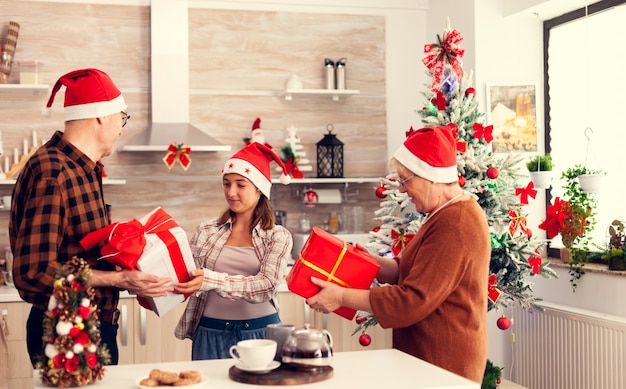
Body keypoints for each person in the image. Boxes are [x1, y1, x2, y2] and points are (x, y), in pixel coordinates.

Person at [9, 68, 173, 367]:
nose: (122, 128)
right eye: (122, 118)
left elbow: (78, 256)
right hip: (68, 330)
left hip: (92, 326)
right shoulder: (53, 172)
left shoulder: (84, 169)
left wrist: (130, 262)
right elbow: (34, 273)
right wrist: (119, 278)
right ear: (101, 117)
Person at [305, 125, 490, 384]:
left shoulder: (455, 223)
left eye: (405, 180)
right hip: (430, 357)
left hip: (444, 361)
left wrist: (341, 297)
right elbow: (413, 270)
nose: (402, 190)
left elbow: (413, 300)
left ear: (429, 176)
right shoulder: (445, 212)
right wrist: (372, 262)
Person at [173, 142, 293, 360]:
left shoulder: (278, 236)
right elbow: (190, 278)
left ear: (259, 188)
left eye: (241, 184)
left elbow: (266, 285)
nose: (231, 192)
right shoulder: (206, 230)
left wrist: (212, 280)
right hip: (209, 333)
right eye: (226, 184)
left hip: (261, 335)